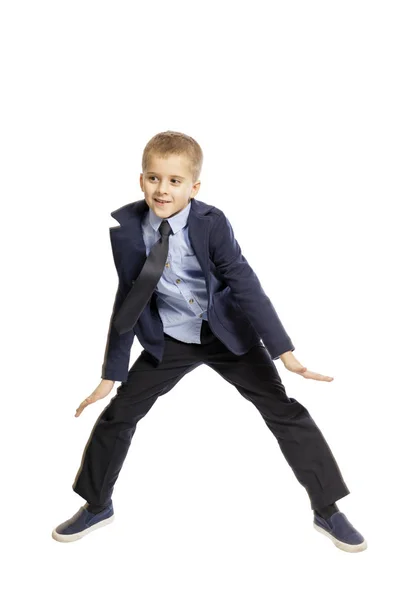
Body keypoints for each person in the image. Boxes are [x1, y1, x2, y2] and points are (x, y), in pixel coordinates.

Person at [52, 130, 367, 552]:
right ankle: (97, 504)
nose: (162, 189)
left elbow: (244, 282)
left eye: (175, 181)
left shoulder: (211, 222)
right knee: (118, 415)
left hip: (227, 335)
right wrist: (111, 373)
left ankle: (327, 509)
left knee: (284, 411)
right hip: (171, 339)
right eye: (153, 178)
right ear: (141, 180)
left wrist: (284, 351)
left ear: (193, 187)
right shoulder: (128, 229)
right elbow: (127, 297)